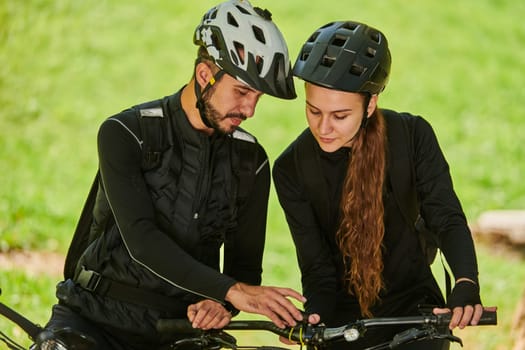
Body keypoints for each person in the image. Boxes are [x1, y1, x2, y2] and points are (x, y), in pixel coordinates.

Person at [35, 1, 305, 349]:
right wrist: (233, 292)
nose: (250, 110)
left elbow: (245, 269)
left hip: (180, 332)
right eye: (241, 91)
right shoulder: (125, 133)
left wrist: (220, 303)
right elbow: (142, 241)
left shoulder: (251, 160)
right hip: (93, 319)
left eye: (258, 97)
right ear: (206, 75)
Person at [273, 21, 483, 349]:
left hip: (416, 309)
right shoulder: (291, 169)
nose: (323, 127)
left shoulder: (412, 137)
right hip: (343, 317)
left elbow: (446, 216)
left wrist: (466, 282)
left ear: (370, 105)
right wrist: (314, 318)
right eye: (313, 111)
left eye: (340, 115)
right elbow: (317, 268)